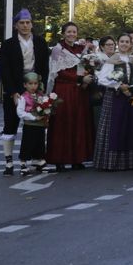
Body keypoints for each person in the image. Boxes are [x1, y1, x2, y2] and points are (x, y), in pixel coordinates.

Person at [0, 9, 50, 173]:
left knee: (36, 124)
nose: (25, 26)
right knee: (10, 124)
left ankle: (36, 158)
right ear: (16, 25)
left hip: (35, 88)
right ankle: (8, 161)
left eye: (28, 22)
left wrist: (41, 90)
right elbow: (4, 70)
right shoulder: (8, 44)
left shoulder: (40, 42)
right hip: (15, 88)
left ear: (32, 24)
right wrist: (13, 92)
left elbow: (44, 68)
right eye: (22, 23)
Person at [45, 22, 95, 172]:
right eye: (69, 32)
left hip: (80, 91)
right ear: (63, 33)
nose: (72, 34)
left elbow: (85, 67)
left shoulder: (81, 49)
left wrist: (87, 75)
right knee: (63, 123)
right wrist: (80, 79)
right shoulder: (58, 50)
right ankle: (60, 159)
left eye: (74, 32)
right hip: (64, 90)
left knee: (79, 123)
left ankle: (77, 159)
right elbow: (59, 72)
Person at [93, 34, 133, 171]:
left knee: (128, 126)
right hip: (114, 96)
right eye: (122, 41)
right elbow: (101, 79)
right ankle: (110, 162)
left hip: (129, 97)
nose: (125, 44)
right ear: (118, 43)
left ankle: (127, 162)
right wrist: (118, 86)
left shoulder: (132, 60)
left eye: (127, 42)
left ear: (131, 44)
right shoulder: (113, 59)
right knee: (114, 127)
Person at [14, 72, 50, 176]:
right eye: (30, 84)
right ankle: (23, 163)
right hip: (29, 124)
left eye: (35, 83)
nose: (33, 86)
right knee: (27, 143)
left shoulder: (40, 95)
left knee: (40, 142)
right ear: (25, 85)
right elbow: (20, 112)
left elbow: (46, 106)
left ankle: (40, 160)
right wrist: (33, 117)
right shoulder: (23, 97)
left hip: (40, 124)